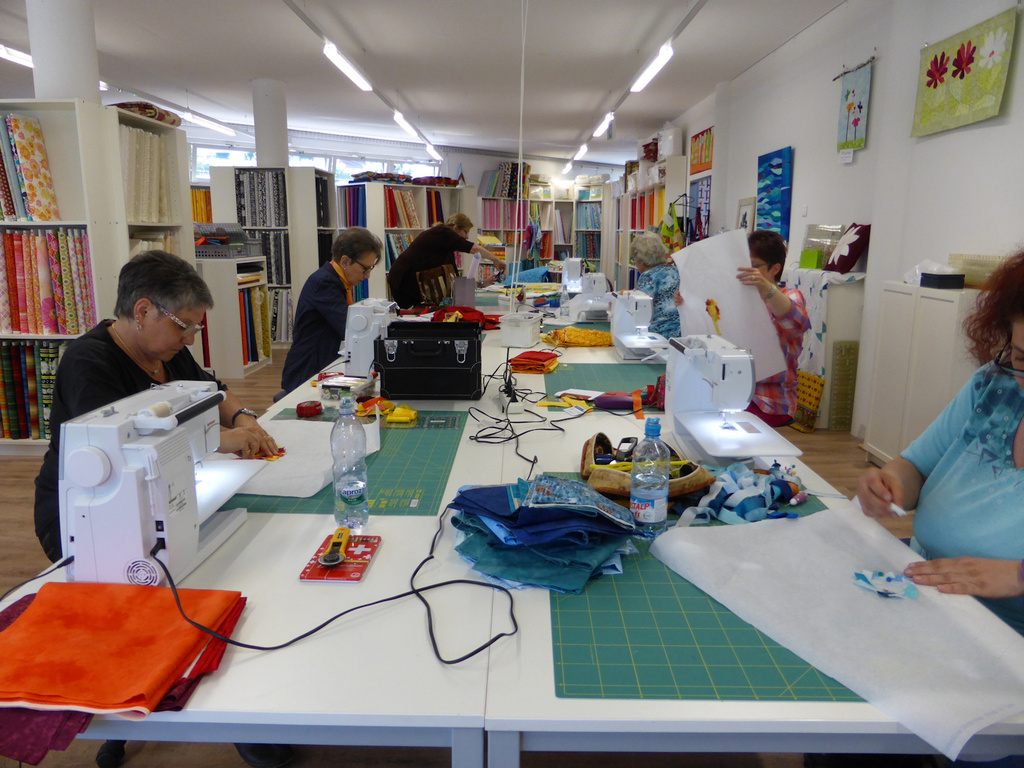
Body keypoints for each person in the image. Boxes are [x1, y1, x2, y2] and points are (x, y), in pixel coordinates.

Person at [32, 250, 292, 768]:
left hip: (154, 495)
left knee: (215, 571)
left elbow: (210, 392)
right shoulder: (89, 363)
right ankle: (169, 704)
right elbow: (124, 451)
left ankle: (222, 700)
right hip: (87, 515)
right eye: (184, 326)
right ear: (143, 310)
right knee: (167, 596)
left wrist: (242, 417)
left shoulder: (165, 352)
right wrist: (220, 441)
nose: (189, 339)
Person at [857, 250, 1024, 637]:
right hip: (923, 599)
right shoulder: (995, 387)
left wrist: (1018, 576)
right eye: (1021, 357)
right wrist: (890, 484)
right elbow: (915, 466)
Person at [673, 230, 810, 427]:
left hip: (768, 401)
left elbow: (797, 325)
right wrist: (687, 304)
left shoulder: (790, 296)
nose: (746, 271)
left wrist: (767, 288)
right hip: (729, 391)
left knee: (703, 420)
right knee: (683, 407)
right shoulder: (737, 297)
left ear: (775, 269)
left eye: (754, 266)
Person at [280, 226, 383, 393]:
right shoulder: (324, 283)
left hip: (323, 363)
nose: (367, 276)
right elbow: (349, 327)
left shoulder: (336, 280)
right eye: (365, 269)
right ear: (345, 261)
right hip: (308, 372)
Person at [386, 212, 504, 308]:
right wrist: (495, 260)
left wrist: (482, 284)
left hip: (404, 281)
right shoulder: (442, 233)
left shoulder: (445, 247)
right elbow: (474, 248)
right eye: (466, 232)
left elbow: (456, 282)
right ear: (456, 228)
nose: (467, 237)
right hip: (403, 281)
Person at [630, 231, 680, 338]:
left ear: (641, 261)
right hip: (681, 334)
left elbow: (641, 311)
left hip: (659, 336)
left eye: (634, 260)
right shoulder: (676, 271)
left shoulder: (648, 277)